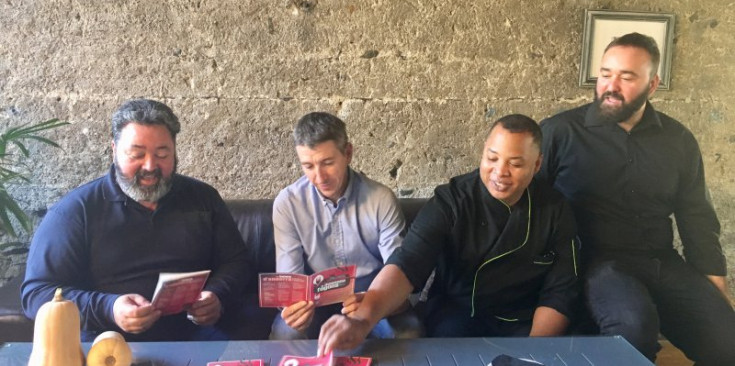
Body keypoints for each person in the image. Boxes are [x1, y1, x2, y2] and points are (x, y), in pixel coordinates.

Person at [537, 32, 735, 364]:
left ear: (653, 84)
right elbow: (530, 207)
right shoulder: (560, 132)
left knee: (727, 340)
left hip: (662, 260)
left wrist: (717, 295)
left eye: (626, 77)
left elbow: (697, 219)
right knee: (634, 329)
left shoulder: (679, 140)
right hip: (598, 264)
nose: (611, 85)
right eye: (605, 73)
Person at [318, 114, 579, 355]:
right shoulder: (452, 200)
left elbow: (560, 291)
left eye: (516, 164)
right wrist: (361, 320)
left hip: (523, 320)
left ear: (537, 165)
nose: (500, 172)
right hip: (457, 312)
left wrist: (533, 353)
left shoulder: (555, 209)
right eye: (492, 158)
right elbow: (408, 263)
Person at [22, 99, 251, 342]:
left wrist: (216, 295)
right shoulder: (77, 211)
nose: (150, 166)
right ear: (114, 150)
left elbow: (237, 262)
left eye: (162, 154)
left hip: (198, 334)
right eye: (136, 154)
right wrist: (108, 308)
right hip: (108, 339)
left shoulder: (203, 198)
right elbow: (36, 295)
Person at [271, 112, 419, 340]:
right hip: (315, 302)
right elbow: (290, 279)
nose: (319, 177)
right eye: (308, 166)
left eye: (327, 163)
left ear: (348, 153)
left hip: (371, 295)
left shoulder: (380, 198)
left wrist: (372, 303)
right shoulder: (288, 203)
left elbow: (398, 270)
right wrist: (292, 308)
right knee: (287, 335)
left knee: (408, 333)